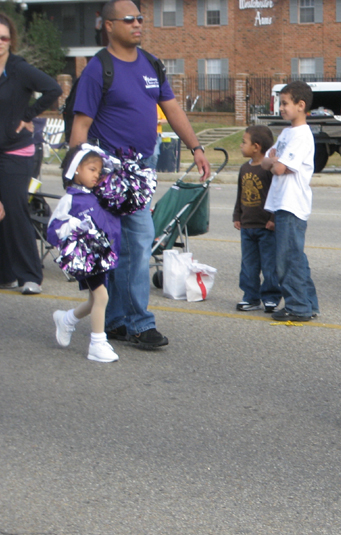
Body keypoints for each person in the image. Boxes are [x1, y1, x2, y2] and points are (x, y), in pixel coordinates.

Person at [70, 0, 210, 350]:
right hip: (110, 170)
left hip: (142, 168)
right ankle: (139, 323)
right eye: (129, 19)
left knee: (126, 246)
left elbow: (172, 108)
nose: (138, 24)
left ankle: (116, 319)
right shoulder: (98, 69)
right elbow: (80, 127)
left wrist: (195, 147)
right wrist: (77, 178)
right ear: (109, 25)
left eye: (140, 18)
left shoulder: (151, 64)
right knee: (137, 239)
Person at [0, 12, 62, 295]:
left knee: (13, 209)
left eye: (4, 37)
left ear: (11, 40)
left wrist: (28, 115)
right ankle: (6, 274)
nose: (0, 42)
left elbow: (53, 89)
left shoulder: (19, 69)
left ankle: (30, 275)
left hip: (16, 151)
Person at [48, 145, 122, 363]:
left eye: (98, 171)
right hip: (86, 257)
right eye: (91, 169)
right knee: (102, 297)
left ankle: (66, 319)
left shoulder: (97, 195)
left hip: (103, 256)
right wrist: (73, 226)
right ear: (76, 169)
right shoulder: (70, 199)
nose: (96, 175)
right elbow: (53, 228)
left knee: (94, 300)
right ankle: (97, 344)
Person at [261, 80, 320, 322]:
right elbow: (266, 160)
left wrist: (274, 162)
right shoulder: (286, 133)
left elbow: (278, 167)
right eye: (280, 103)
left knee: (288, 259)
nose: (281, 108)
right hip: (281, 202)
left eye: (285, 103)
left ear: (301, 105)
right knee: (295, 256)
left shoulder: (302, 136)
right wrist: (273, 162)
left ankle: (298, 307)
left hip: (292, 203)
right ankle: (308, 303)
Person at [233, 125, 281, 313]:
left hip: (265, 226)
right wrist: (237, 215)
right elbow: (240, 193)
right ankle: (250, 297)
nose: (240, 145)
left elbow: (275, 194)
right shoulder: (244, 168)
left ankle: (271, 297)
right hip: (247, 226)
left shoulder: (268, 169)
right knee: (248, 265)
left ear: (256, 147)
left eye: (244, 142)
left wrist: (273, 218)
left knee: (269, 265)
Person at [142, 104, 167, 170]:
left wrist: (157, 121)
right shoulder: (143, 106)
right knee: (145, 155)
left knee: (154, 155)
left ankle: (152, 170)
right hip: (144, 134)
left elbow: (165, 119)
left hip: (156, 135)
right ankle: (144, 170)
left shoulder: (158, 107)